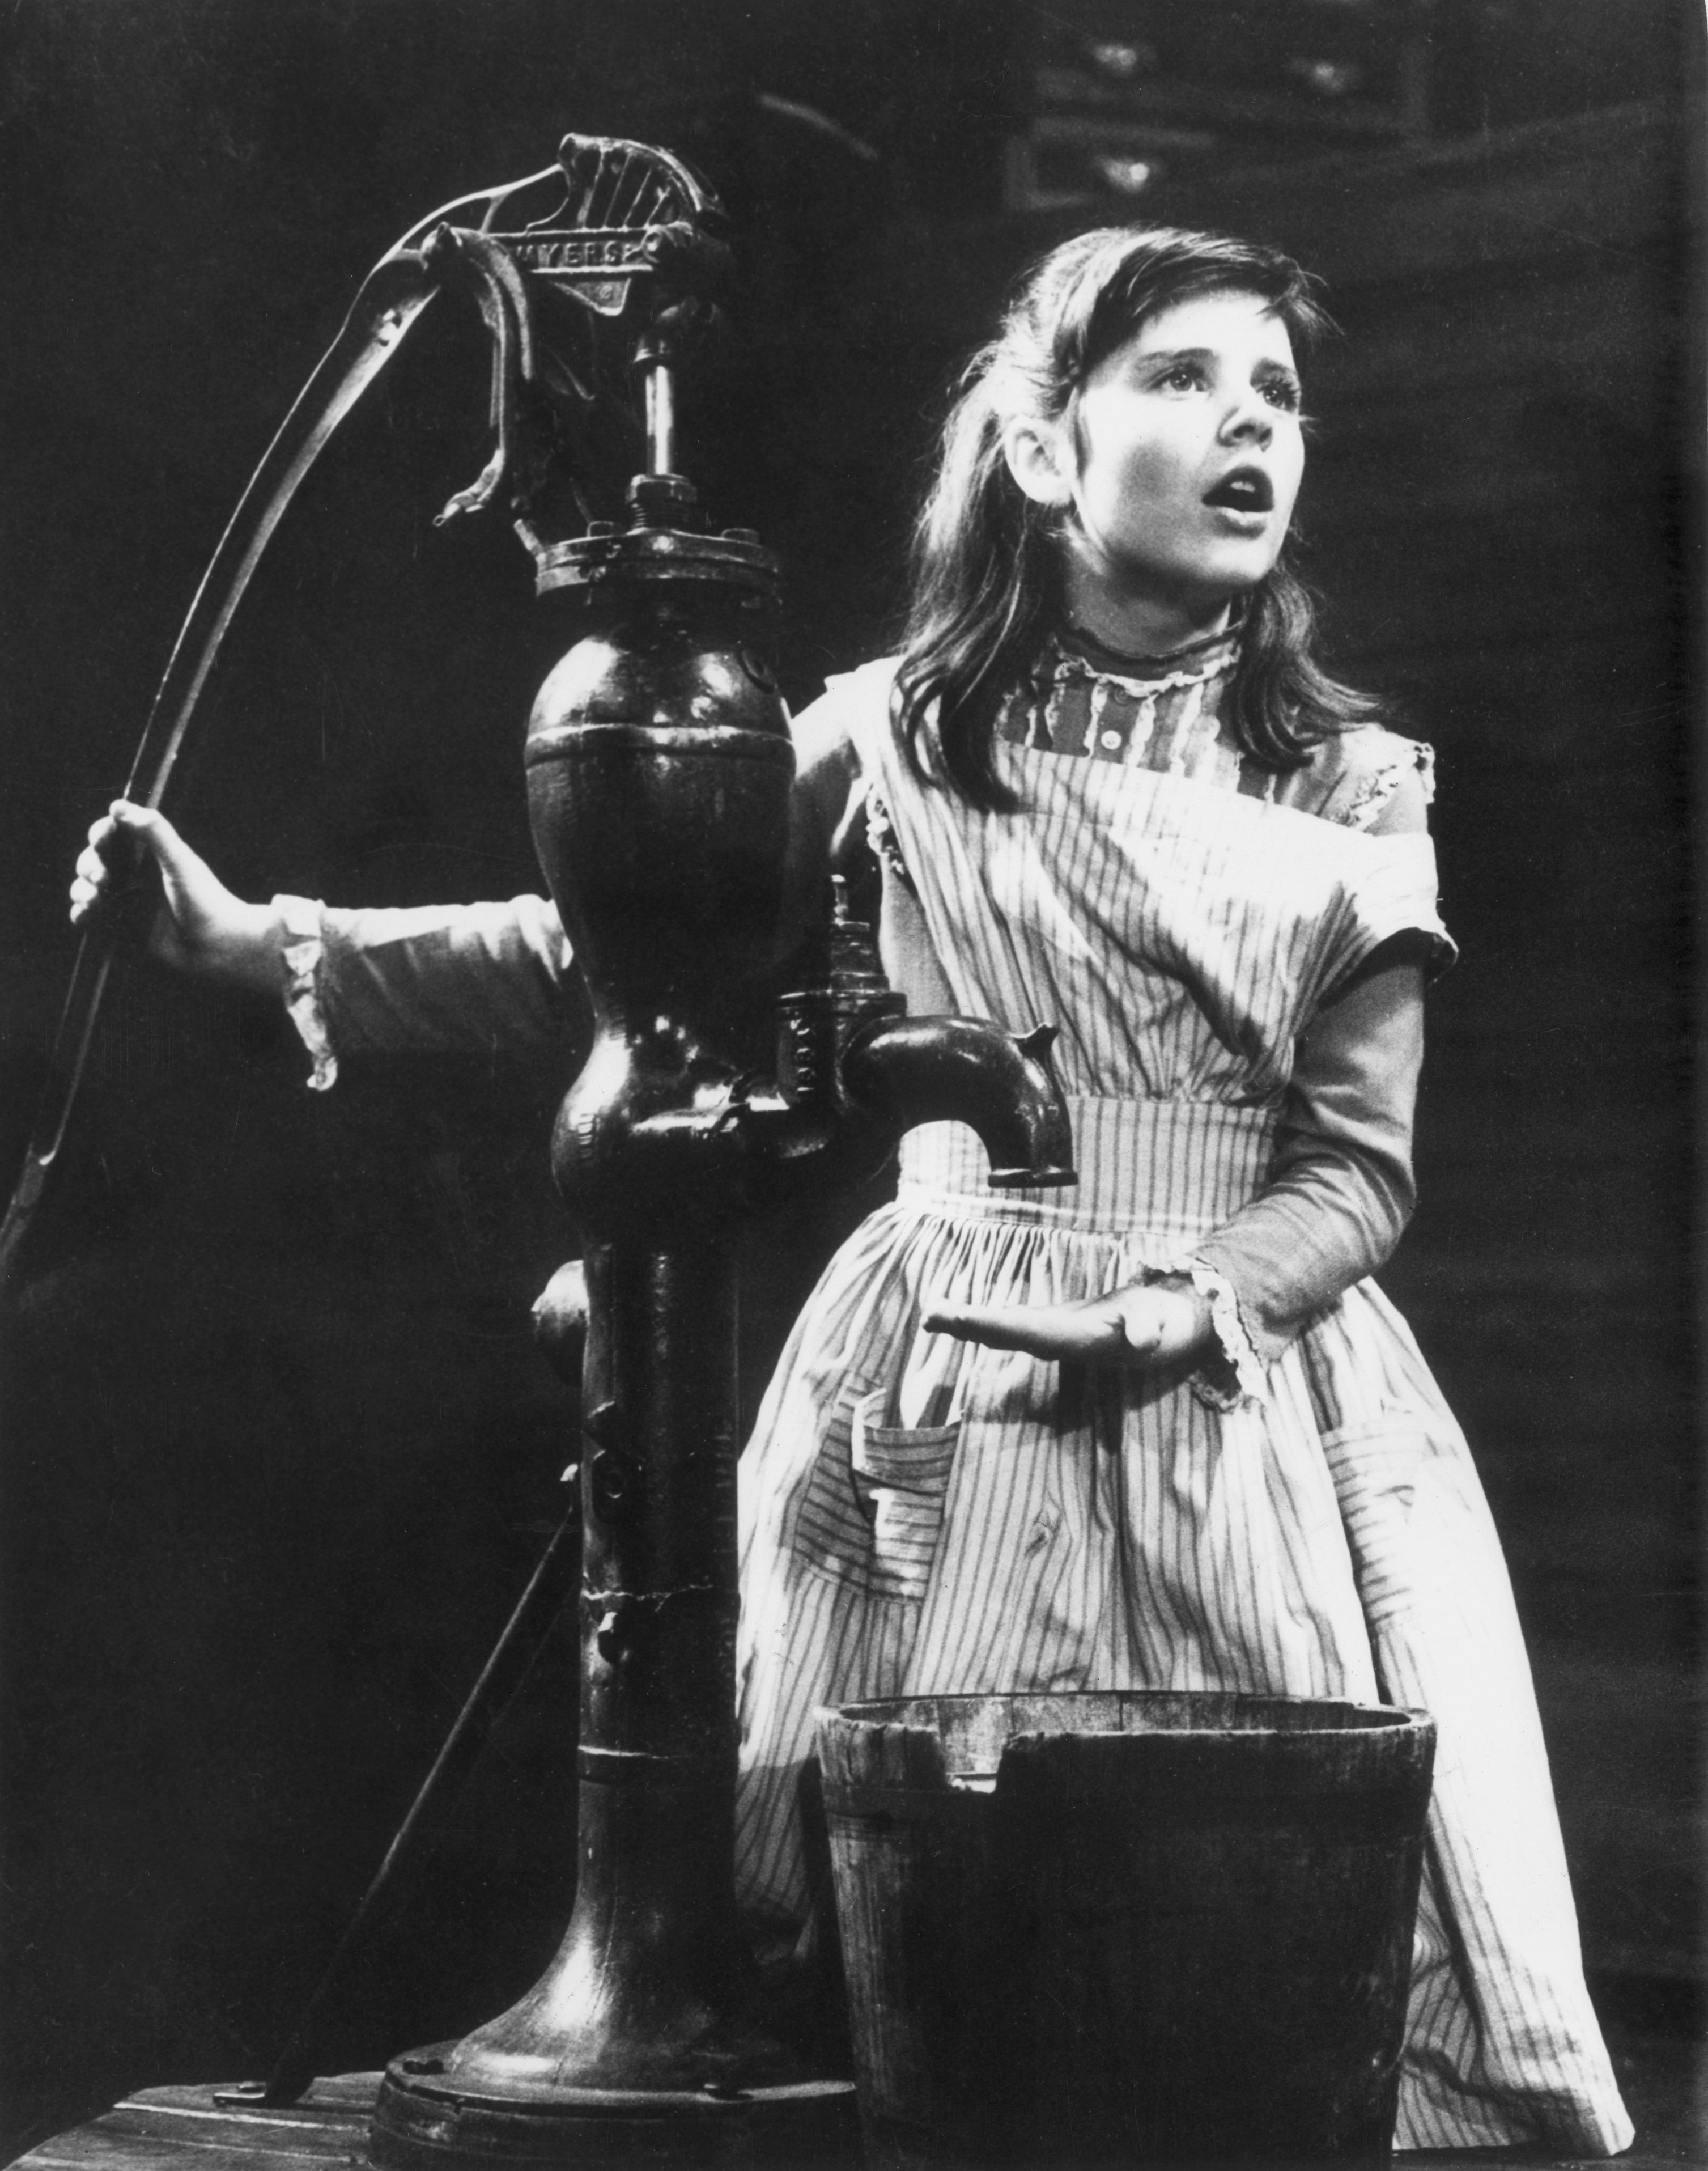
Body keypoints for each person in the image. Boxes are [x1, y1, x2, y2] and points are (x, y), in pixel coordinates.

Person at [71, 226, 1631, 2156]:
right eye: (1183, 379)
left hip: (1250, 1398)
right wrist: (253, 941)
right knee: (902, 1953)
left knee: (1248, 1955)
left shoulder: (1351, 781)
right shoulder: (887, 733)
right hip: (942, 1382)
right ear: (1044, 453)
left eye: (1280, 396)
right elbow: (599, 945)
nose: (1252, 427)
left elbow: (1359, 1169)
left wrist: (1177, 1307)